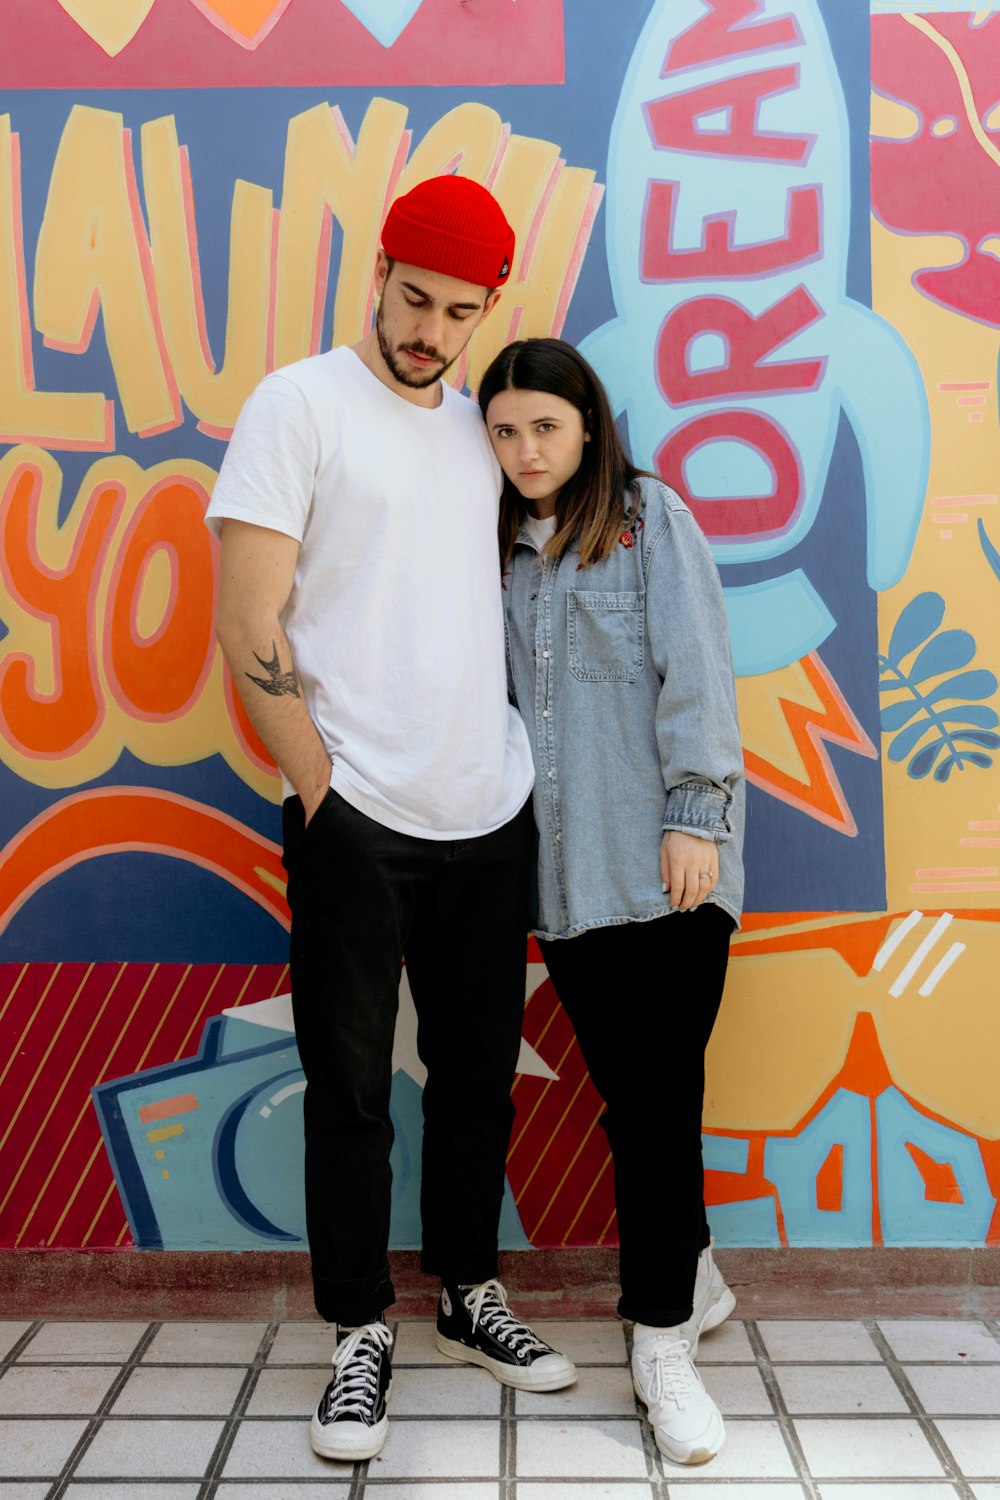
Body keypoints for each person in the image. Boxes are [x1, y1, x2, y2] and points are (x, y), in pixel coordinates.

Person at [207, 179, 575, 1466]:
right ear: (379, 270)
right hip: (355, 810)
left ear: (488, 310)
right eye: (414, 300)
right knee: (351, 1090)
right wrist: (321, 787)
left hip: (489, 807)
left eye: (457, 312)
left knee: (477, 1080)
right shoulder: (298, 405)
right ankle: (357, 1329)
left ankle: (470, 1295)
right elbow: (249, 619)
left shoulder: (482, 429)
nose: (429, 330)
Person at [478, 337, 745, 1466]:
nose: (526, 449)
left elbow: (699, 668)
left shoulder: (644, 519)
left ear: (587, 424)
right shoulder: (491, 551)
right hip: (565, 882)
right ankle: (694, 1273)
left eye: (546, 425)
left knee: (649, 1106)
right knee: (642, 1100)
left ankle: (661, 1346)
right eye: (505, 430)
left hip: (669, 863)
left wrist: (695, 814)